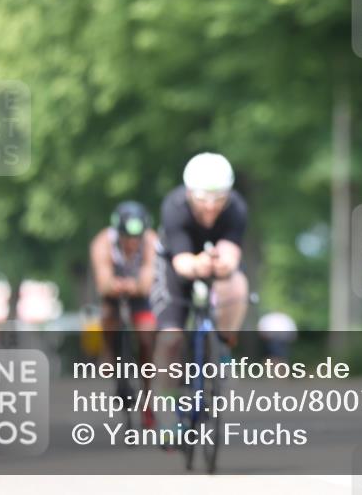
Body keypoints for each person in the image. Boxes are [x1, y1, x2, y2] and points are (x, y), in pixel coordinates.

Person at [150, 153, 250, 431]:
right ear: (189, 193)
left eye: (218, 199)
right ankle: (167, 411)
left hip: (213, 264)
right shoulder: (174, 206)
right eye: (203, 199)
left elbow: (231, 254)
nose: (210, 207)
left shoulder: (237, 208)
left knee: (238, 285)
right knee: (170, 339)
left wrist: (223, 264)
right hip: (176, 265)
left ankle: (223, 350)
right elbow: (182, 264)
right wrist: (198, 263)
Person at [89, 200, 158, 427]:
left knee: (147, 338)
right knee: (108, 314)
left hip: (140, 295)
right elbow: (103, 282)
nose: (131, 243)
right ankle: (109, 352)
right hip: (114, 293)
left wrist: (135, 286)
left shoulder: (151, 241)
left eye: (135, 239)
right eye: (126, 238)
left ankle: (147, 400)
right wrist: (114, 285)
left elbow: (148, 280)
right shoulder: (102, 242)